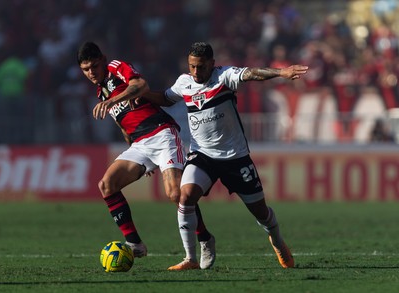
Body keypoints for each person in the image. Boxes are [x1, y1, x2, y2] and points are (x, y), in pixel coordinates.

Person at [140, 42, 308, 270]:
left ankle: (277, 241)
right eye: (192, 67)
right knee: (185, 196)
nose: (196, 72)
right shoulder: (184, 82)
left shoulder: (224, 76)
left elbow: (251, 74)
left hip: (235, 157)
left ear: (212, 64)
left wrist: (281, 72)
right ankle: (191, 258)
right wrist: (143, 95)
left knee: (261, 213)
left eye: (200, 67)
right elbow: (166, 98)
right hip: (202, 155)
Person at [77, 41, 215, 268]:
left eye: (94, 66)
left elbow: (140, 85)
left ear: (102, 59)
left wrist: (113, 100)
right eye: (85, 69)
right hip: (140, 145)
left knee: (175, 194)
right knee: (106, 185)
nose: (91, 73)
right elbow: (123, 123)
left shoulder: (115, 67)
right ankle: (134, 243)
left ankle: (205, 239)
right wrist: (141, 160)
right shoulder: (100, 91)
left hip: (162, 134)